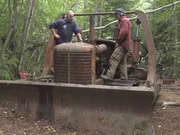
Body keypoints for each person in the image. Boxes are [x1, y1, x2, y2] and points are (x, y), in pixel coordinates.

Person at [101, 8, 131, 80]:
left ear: (120, 14)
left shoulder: (124, 21)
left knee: (113, 59)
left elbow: (123, 33)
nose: (116, 16)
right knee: (122, 62)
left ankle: (109, 76)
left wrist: (118, 41)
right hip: (126, 45)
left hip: (122, 45)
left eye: (116, 14)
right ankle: (124, 77)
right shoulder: (126, 20)